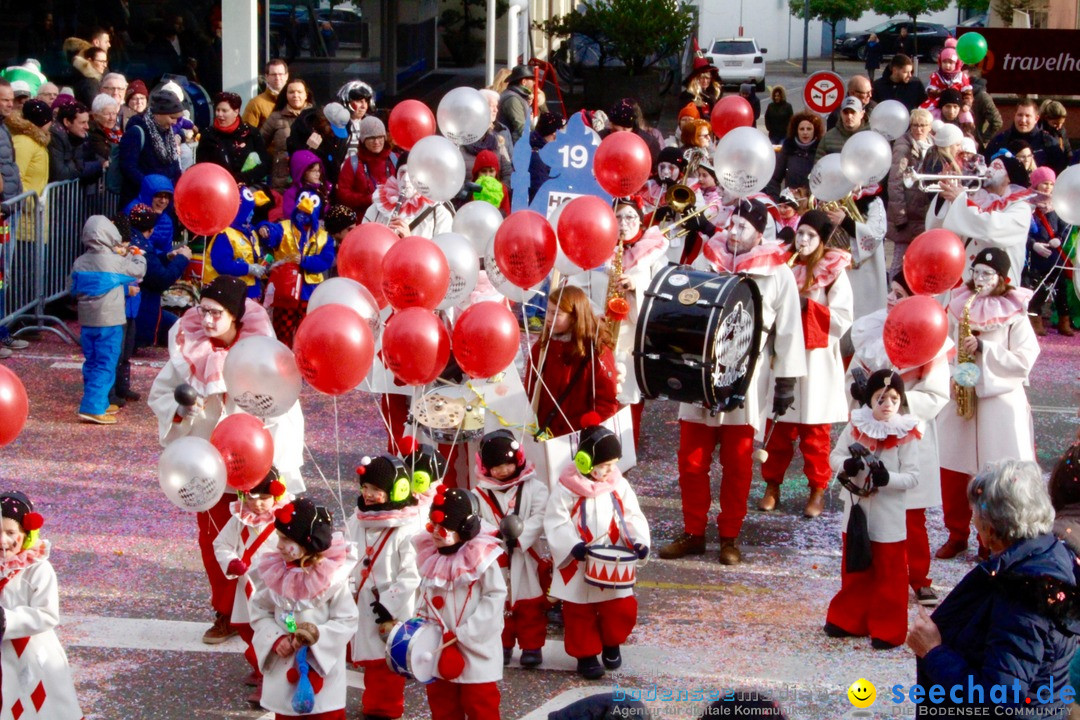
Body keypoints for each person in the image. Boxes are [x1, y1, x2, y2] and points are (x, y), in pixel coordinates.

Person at [147, 276, 306, 642]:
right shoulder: (190, 350)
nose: (206, 320)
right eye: (203, 310)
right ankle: (224, 612)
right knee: (215, 544)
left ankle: (263, 618)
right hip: (207, 466)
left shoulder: (261, 354)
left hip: (256, 470)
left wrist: (271, 469)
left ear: (235, 316)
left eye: (216, 313)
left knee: (261, 545)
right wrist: (183, 409)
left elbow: (284, 408)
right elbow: (161, 394)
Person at [661, 200, 805, 564]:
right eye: (731, 225)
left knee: (738, 465)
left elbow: (787, 331)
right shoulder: (706, 261)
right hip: (700, 376)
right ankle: (693, 531)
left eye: (742, 227)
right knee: (691, 462)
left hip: (747, 383)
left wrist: (786, 380)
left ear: (760, 232)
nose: (733, 232)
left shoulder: (778, 272)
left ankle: (729, 536)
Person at [907, 460, 1080, 718]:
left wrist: (933, 651)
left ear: (990, 528)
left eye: (975, 512)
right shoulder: (1050, 552)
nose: (973, 518)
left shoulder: (1023, 597)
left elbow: (1000, 700)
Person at [847, 270, 952, 607]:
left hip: (910, 437)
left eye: (899, 295)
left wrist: (896, 403)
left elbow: (935, 395)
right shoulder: (873, 330)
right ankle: (872, 570)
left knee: (911, 511)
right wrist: (858, 391)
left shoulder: (933, 340)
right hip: (872, 431)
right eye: (890, 292)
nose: (891, 299)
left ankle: (919, 577)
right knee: (872, 505)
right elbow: (855, 372)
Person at [935, 249, 1040, 560]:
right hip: (963, 392)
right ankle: (957, 533)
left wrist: (985, 348)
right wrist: (954, 374)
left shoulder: (1015, 313)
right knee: (953, 467)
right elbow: (947, 346)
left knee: (994, 475)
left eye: (987, 275)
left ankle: (990, 540)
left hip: (999, 399)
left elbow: (1024, 360)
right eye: (977, 272)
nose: (980, 280)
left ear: (1002, 279)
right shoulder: (959, 303)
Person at [758, 211, 853, 518]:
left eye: (811, 235)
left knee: (815, 430)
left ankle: (817, 489)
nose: (803, 240)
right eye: (800, 234)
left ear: (822, 240)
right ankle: (772, 485)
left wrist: (807, 306)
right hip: (784, 352)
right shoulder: (784, 265)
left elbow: (841, 319)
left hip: (815, 359)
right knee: (779, 427)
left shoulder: (835, 270)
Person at [544, 424, 649, 679]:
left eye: (614, 464)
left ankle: (612, 642)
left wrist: (638, 541)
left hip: (613, 559)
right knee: (579, 612)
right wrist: (572, 545)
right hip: (580, 561)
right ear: (586, 461)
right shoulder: (566, 488)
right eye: (606, 464)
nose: (612, 470)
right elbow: (556, 521)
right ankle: (586, 655)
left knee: (621, 608)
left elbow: (632, 515)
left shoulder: (618, 485)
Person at [825, 370, 920, 649]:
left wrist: (888, 479)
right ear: (870, 401)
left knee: (889, 572)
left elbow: (913, 476)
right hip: (857, 511)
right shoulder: (856, 426)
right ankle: (848, 618)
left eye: (893, 398)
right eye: (881, 398)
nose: (888, 404)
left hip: (888, 517)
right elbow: (835, 456)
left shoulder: (907, 434)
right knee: (855, 566)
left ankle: (887, 628)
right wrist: (846, 466)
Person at [249, 497, 359, 718]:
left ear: (307, 544)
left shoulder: (331, 579)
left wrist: (314, 638)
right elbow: (260, 611)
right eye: (279, 537)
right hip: (284, 669)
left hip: (322, 671)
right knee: (287, 712)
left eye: (285, 539)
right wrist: (276, 638)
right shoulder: (276, 573)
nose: (278, 545)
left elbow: (347, 620)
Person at [414, 487, 506, 719]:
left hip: (475, 646)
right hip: (438, 646)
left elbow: (495, 595)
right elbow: (423, 597)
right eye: (431, 526)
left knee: (481, 704)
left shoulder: (482, 556)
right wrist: (422, 628)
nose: (435, 533)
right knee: (442, 706)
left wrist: (468, 632)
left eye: (443, 528)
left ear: (464, 529)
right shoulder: (431, 556)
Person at [347, 454, 420, 720]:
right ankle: (372, 703)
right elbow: (346, 554)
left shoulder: (407, 527)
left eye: (376, 490)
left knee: (386, 660)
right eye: (365, 488)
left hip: (389, 607)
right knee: (368, 658)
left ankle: (385, 709)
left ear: (395, 490)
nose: (368, 494)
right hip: (361, 600)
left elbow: (412, 573)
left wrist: (390, 603)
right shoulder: (357, 520)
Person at [0, 491, 84, 719]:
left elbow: (47, 614)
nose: (3, 540)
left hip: (32, 656)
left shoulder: (37, 568)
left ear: (26, 533)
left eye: (10, 532)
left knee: (36, 707)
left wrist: (8, 620)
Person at [472, 430, 550, 668]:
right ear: (485, 468)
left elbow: (542, 514)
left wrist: (522, 535)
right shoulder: (479, 494)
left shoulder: (534, 488)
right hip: (495, 558)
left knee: (530, 604)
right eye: (496, 467)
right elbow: (475, 519)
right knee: (496, 603)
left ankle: (532, 645)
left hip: (526, 557)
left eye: (507, 464)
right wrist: (494, 535)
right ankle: (502, 644)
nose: (503, 471)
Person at [212, 470, 290, 705]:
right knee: (247, 629)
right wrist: (231, 561)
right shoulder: (239, 518)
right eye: (251, 497)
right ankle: (259, 665)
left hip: (276, 589)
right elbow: (221, 543)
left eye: (264, 498)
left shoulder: (285, 517)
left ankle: (268, 680)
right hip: (247, 585)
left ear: (276, 495)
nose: (257, 504)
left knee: (272, 631)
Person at [69, 215, 146, 424]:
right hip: (110, 320)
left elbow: (73, 289)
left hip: (87, 321)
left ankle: (99, 401)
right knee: (106, 362)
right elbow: (138, 271)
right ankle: (92, 407)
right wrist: (137, 255)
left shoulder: (80, 262)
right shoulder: (115, 261)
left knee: (92, 361)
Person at [928, 153, 1033, 288]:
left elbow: (990, 229)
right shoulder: (974, 199)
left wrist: (960, 201)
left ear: (1008, 179)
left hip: (997, 286)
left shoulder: (1021, 208)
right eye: (990, 165)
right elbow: (940, 232)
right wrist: (945, 197)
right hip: (964, 279)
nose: (989, 170)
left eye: (996, 167)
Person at [527, 285, 619, 439]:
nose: (549, 318)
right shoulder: (543, 345)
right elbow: (530, 389)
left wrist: (587, 426)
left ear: (574, 316)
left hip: (579, 437)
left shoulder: (596, 350)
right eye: (548, 311)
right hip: (545, 433)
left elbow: (607, 402)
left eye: (557, 313)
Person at [257, 190, 335, 346]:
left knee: (307, 334)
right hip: (285, 291)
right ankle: (281, 364)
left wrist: (305, 260)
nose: (303, 215)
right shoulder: (284, 227)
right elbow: (272, 231)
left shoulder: (324, 237)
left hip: (309, 293)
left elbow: (325, 261)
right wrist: (264, 228)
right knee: (281, 333)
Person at [1024, 166, 1074, 337]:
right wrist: (1033, 244)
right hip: (1037, 255)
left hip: (1055, 254)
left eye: (1051, 184)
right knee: (1039, 288)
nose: (1047, 187)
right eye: (1044, 183)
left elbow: (1065, 225)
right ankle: (1035, 320)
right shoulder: (1028, 205)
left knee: (1061, 289)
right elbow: (1023, 231)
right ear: (1036, 184)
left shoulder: (1057, 205)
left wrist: (1059, 238)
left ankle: (1064, 320)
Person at [886, 108, 933, 278]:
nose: (918, 130)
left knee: (921, 261)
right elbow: (895, 182)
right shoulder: (903, 146)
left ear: (930, 127)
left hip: (923, 212)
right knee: (899, 261)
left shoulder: (932, 144)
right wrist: (900, 216)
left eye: (922, 126)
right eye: (914, 125)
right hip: (907, 215)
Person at [118, 90, 183, 206]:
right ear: (158, 114)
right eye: (172, 117)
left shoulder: (167, 133)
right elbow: (127, 167)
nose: (175, 122)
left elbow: (174, 166)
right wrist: (152, 186)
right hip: (139, 201)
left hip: (163, 201)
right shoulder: (136, 132)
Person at [362, 162, 453, 240]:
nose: (405, 179)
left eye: (412, 173)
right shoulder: (378, 208)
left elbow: (442, 254)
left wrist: (409, 241)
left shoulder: (439, 214)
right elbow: (363, 242)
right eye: (402, 172)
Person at [195, 91, 270, 185]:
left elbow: (265, 164)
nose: (219, 114)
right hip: (217, 185)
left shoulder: (251, 133)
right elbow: (201, 166)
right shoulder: (208, 134)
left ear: (236, 111)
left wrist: (243, 178)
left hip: (247, 185)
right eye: (217, 110)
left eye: (224, 111)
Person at [204, 186, 266, 299]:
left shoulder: (250, 231)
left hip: (249, 291)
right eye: (248, 210)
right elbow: (221, 265)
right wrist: (249, 268)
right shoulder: (224, 234)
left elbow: (253, 257)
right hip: (228, 293)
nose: (252, 214)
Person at [985, 99, 1067, 173]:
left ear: (1036, 119)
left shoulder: (1049, 143)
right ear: (1014, 116)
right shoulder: (999, 141)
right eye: (1020, 115)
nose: (1023, 120)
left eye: (1028, 116)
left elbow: (1060, 172)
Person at [335, 115, 395, 215]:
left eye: (380, 137)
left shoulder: (395, 159)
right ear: (363, 140)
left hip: (391, 219)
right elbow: (343, 194)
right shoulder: (353, 163)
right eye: (371, 138)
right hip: (363, 221)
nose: (376, 142)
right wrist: (368, 199)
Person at [261, 78, 313, 190]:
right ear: (285, 95)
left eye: (299, 92)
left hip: (310, 175)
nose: (295, 95)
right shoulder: (275, 117)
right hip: (282, 180)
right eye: (291, 92)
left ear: (306, 95)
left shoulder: (315, 117)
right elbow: (260, 144)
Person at [765, 111, 822, 197]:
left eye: (809, 129)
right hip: (791, 203)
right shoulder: (788, 149)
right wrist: (776, 200)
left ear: (815, 131)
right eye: (801, 129)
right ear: (796, 131)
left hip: (814, 203)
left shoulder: (820, 150)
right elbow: (774, 179)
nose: (805, 132)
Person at [464, 89, 514, 186]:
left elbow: (508, 172)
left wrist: (498, 192)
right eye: (492, 106)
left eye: (496, 106)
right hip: (468, 199)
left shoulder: (499, 139)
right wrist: (467, 193)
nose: (496, 110)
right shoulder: (461, 141)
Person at [48, 100, 105, 183]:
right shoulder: (56, 136)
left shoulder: (78, 136)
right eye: (82, 122)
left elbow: (83, 161)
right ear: (67, 122)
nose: (87, 127)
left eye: (87, 122)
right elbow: (60, 174)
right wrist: (95, 166)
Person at [8, 98, 52, 195]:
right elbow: (16, 179)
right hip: (26, 207)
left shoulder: (38, 141)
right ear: (43, 121)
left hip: (35, 208)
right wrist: (31, 202)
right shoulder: (24, 142)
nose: (51, 124)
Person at [815, 96, 865, 162]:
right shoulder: (828, 138)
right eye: (846, 112)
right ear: (841, 113)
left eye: (853, 112)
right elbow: (819, 166)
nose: (849, 116)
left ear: (862, 114)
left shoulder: (871, 137)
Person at [243, 59, 289, 129]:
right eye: (273, 74)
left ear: (286, 76)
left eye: (280, 74)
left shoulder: (296, 100)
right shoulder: (255, 103)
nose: (277, 77)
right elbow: (247, 133)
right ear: (267, 77)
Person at [336, 79, 375, 157]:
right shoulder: (334, 125)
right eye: (359, 101)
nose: (364, 106)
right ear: (347, 101)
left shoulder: (372, 125)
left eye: (366, 101)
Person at [498, 64, 535, 144]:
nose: (534, 82)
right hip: (512, 148)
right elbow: (521, 128)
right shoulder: (513, 99)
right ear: (524, 82)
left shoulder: (517, 97)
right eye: (532, 79)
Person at [678, 56, 721, 122]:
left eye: (707, 78)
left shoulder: (714, 93)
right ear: (695, 80)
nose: (705, 81)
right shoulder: (687, 96)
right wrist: (692, 103)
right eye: (701, 78)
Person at [470, 149, 510, 216]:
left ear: (496, 172)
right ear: (477, 172)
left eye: (491, 171)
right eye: (483, 171)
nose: (488, 175)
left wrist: (500, 213)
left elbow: (507, 214)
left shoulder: (502, 189)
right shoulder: (472, 188)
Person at [87, 93, 122, 163]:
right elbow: (109, 155)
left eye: (114, 113)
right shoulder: (93, 132)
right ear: (95, 116)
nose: (111, 118)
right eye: (107, 114)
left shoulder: (117, 130)